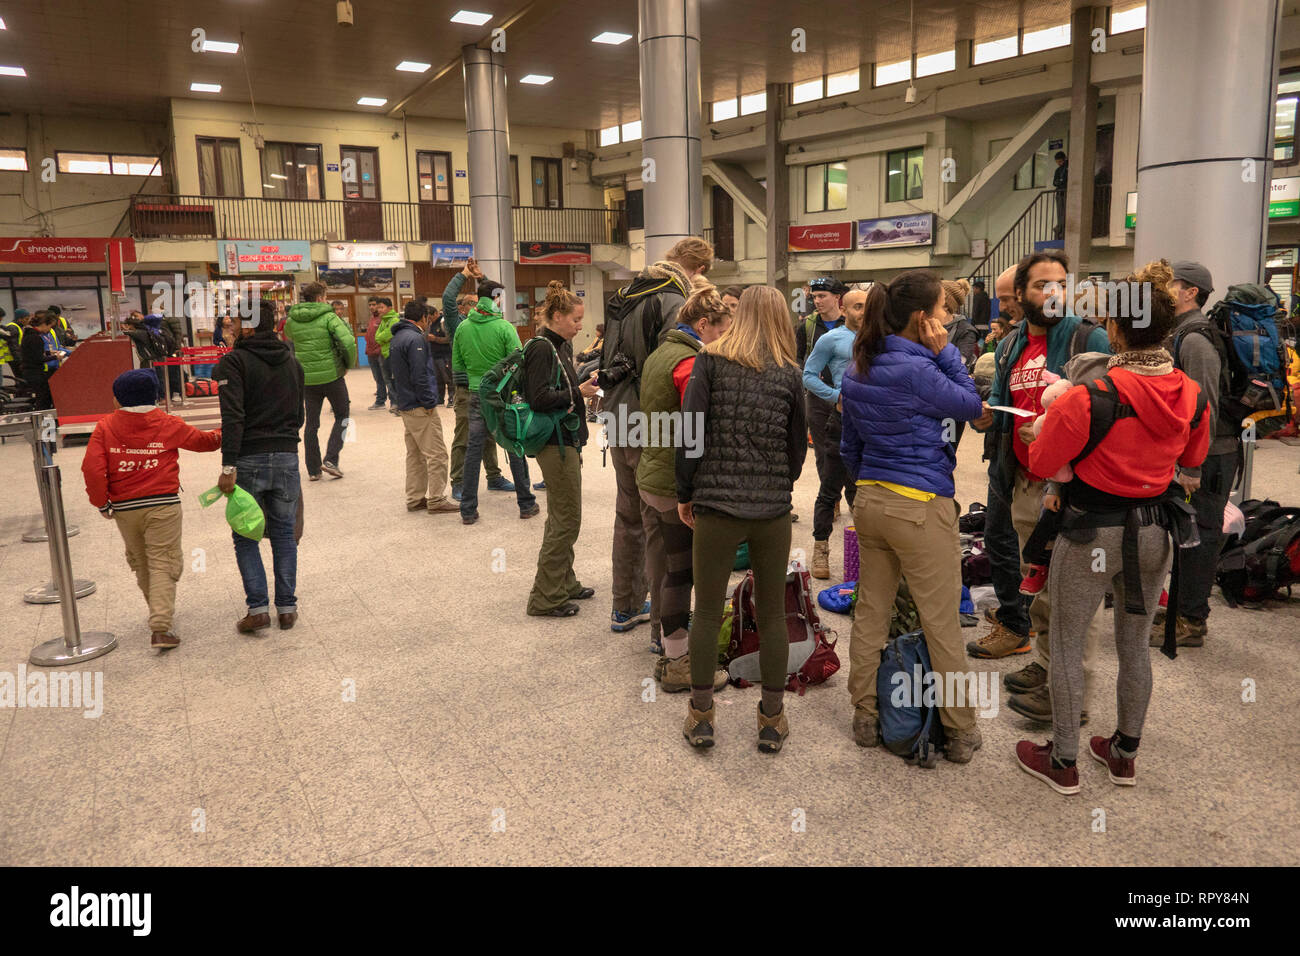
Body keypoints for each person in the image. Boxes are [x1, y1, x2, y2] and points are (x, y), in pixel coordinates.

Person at [1015, 259, 1209, 794]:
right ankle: (1124, 753)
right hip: (1154, 530)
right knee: (1134, 644)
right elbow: (1191, 462)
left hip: (1089, 532)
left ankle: (1064, 760)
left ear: (1117, 328)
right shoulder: (1191, 395)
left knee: (1070, 639)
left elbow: (1041, 463)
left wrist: (1039, 432)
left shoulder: (1089, 396)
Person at [839, 271, 984, 762]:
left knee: (871, 611)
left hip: (871, 500)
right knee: (941, 620)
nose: (949, 318)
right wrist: (948, 353)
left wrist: (869, 487)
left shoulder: (859, 365)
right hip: (920, 506)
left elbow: (849, 445)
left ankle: (865, 713)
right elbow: (969, 404)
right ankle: (960, 730)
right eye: (944, 310)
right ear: (923, 320)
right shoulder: (923, 369)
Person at [968, 250, 1111, 727]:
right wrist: (987, 412)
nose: (1052, 294)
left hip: (1069, 487)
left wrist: (1052, 434)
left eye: (1059, 284)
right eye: (1040, 286)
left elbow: (1105, 412)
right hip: (1024, 480)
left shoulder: (1086, 337)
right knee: (1042, 583)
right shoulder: (1010, 344)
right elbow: (998, 396)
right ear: (1019, 297)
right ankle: (1049, 666)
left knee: (1073, 594)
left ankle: (1073, 697)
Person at [678, 286, 807, 753]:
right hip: (771, 510)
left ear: (739, 314)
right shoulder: (790, 374)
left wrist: (685, 490)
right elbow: (797, 449)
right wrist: (776, 481)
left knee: (708, 610)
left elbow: (690, 433)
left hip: (716, 505)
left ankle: (701, 716)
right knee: (773, 612)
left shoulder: (709, 362)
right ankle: (771, 719)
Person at [601, 237, 714, 636]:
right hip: (649, 419)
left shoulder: (625, 292)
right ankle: (663, 632)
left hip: (616, 413)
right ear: (696, 269)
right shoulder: (672, 299)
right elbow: (672, 367)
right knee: (661, 525)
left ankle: (624, 606)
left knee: (627, 512)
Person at [637, 279, 733, 691]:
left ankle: (668, 646)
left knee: (669, 566)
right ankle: (679, 663)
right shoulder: (690, 363)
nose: (727, 337)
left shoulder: (661, 352)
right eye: (724, 329)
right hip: (673, 482)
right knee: (682, 572)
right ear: (705, 324)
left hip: (652, 473)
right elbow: (702, 425)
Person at [81, 369, 222, 649]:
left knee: (141, 561)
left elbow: (92, 468)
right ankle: (160, 625)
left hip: (124, 507)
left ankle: (159, 613)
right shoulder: (167, 422)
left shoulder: (105, 426)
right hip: (163, 505)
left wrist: (102, 502)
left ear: (117, 400)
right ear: (155, 395)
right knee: (163, 560)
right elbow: (206, 443)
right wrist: (228, 428)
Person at [213, 298, 306, 633]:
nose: (230, 327)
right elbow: (300, 416)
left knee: (245, 534)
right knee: (283, 532)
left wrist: (228, 466)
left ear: (249, 325)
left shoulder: (234, 363)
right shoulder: (292, 362)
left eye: (234, 322)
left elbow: (233, 417)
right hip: (286, 456)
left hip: (248, 458)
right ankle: (287, 608)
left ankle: (257, 609)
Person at [1161, 260, 1235, 649]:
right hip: (1198, 454)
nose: (1165, 289)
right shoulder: (1181, 333)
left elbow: (1204, 406)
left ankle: (1191, 620)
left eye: (1171, 284)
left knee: (1200, 536)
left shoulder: (1195, 339)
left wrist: (1191, 463)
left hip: (1210, 456)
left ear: (1191, 292)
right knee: (1186, 534)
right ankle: (1181, 609)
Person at [524, 282, 600, 617]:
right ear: (557, 316)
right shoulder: (542, 348)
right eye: (576, 319)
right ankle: (546, 596)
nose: (580, 326)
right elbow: (538, 399)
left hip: (565, 441)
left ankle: (564, 582)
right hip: (555, 444)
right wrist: (578, 393)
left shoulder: (558, 346)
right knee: (566, 519)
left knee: (564, 515)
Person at [452, 295, 539, 524]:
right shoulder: (504, 327)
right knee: (514, 445)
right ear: (495, 310)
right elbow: (519, 359)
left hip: (475, 394)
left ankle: (468, 510)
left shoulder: (462, 328)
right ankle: (526, 505)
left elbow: (458, 364)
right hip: (502, 395)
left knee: (473, 449)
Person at [802, 288, 867, 579]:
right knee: (830, 490)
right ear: (844, 309)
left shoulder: (883, 340)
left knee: (866, 490)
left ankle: (869, 550)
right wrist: (834, 396)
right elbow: (808, 375)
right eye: (857, 307)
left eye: (867, 306)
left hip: (873, 426)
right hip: (841, 423)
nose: (863, 312)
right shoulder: (831, 339)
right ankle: (821, 548)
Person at [443, 261, 510, 497]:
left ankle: (494, 477)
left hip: (490, 387)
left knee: (490, 435)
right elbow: (447, 299)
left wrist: (481, 278)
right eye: (472, 303)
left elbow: (492, 294)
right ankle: (458, 482)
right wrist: (463, 275)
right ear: (463, 308)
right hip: (465, 389)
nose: (479, 306)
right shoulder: (458, 324)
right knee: (464, 436)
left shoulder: (493, 322)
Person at [388, 300, 459, 515]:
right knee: (437, 454)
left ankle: (415, 497)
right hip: (419, 406)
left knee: (415, 454)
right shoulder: (416, 338)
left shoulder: (398, 337)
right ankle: (436, 499)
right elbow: (421, 375)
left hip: (406, 403)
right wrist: (429, 403)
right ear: (424, 318)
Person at [284, 281, 356, 481]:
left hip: (306, 379)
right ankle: (331, 459)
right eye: (325, 296)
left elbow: (288, 336)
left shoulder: (292, 320)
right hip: (332, 376)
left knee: (311, 424)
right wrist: (348, 363)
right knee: (343, 416)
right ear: (319, 298)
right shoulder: (329, 317)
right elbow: (348, 341)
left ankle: (313, 469)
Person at [21, 311, 64, 409]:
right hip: (35, 373)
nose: (49, 330)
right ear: (44, 324)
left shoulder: (29, 335)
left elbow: (34, 353)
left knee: (44, 396)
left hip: (30, 371)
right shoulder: (35, 338)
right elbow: (38, 359)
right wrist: (55, 357)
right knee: (43, 399)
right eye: (50, 326)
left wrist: (49, 353)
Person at [363, 296, 390, 410]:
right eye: (370, 305)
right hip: (371, 354)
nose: (372, 307)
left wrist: (379, 350)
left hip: (380, 354)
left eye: (374, 305)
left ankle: (391, 402)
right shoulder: (372, 319)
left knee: (387, 379)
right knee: (378, 379)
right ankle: (381, 400)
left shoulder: (382, 319)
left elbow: (385, 337)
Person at [427, 308, 455, 407]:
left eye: (430, 316)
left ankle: (452, 398)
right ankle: (440, 398)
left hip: (445, 355)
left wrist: (435, 339)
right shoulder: (430, 324)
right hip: (434, 355)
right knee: (438, 379)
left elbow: (449, 339)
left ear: (435, 313)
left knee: (448, 378)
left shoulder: (443, 323)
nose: (428, 318)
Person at [0, 307, 28, 385]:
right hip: (14, 358)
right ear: (19, 319)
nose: (28, 321)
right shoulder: (13, 327)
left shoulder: (18, 327)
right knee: (20, 379)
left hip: (14, 357)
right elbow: (13, 344)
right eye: (26, 319)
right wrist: (19, 360)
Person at [1053, 150, 1068, 239]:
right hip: (1060, 193)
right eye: (1057, 162)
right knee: (1060, 212)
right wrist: (1060, 181)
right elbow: (1054, 182)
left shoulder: (1068, 167)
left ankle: (1063, 228)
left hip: (1066, 192)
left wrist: (1061, 181)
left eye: (1060, 161)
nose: (1059, 163)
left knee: (1065, 212)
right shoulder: (1058, 170)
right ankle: (1060, 228)